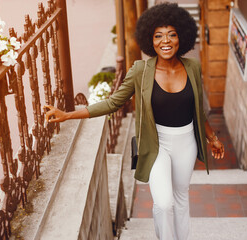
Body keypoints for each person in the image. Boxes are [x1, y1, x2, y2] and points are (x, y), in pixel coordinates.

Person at [45, 3, 224, 240]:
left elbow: (197, 111)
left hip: (186, 142)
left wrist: (212, 138)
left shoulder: (192, 67)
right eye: (158, 35)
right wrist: (68, 115)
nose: (166, 41)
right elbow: (112, 103)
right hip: (156, 143)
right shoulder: (141, 70)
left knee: (181, 198)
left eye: (172, 34)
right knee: (164, 203)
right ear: (150, 40)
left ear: (182, 36)